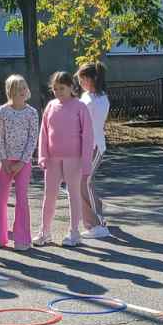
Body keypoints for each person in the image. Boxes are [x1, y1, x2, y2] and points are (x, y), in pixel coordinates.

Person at [35, 70, 93, 247]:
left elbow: (88, 136)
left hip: (73, 159)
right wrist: (42, 155)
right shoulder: (50, 106)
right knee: (49, 195)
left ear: (71, 87)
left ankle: (74, 232)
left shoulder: (80, 107)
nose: (58, 92)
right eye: (55, 89)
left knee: (73, 195)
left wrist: (86, 162)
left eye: (62, 88)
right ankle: (45, 232)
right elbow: (44, 133)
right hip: (53, 159)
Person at [0, 75, 39, 251]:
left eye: (24, 87)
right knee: (0, 199)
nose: (22, 91)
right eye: (18, 89)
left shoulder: (32, 113)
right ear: (10, 92)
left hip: (23, 163)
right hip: (6, 162)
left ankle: (22, 239)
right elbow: (0, 136)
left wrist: (22, 162)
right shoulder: (3, 111)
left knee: (21, 200)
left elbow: (32, 139)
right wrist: (3, 159)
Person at [76, 61, 112, 239]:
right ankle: (97, 213)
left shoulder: (97, 100)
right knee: (84, 183)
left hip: (94, 146)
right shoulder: (87, 96)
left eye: (84, 78)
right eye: (80, 79)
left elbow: (84, 124)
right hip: (86, 147)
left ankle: (97, 225)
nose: (81, 82)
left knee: (84, 183)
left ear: (94, 79)